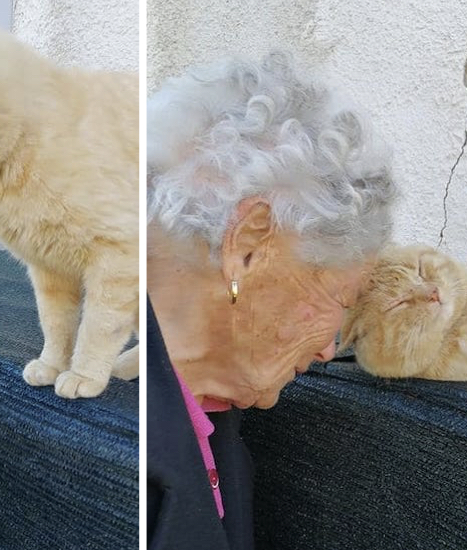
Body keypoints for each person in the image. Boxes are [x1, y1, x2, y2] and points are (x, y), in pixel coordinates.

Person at [146, 51, 398, 549]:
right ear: (248, 246)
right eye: (340, 298)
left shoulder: (214, 423)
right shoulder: (100, 448)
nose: (330, 347)